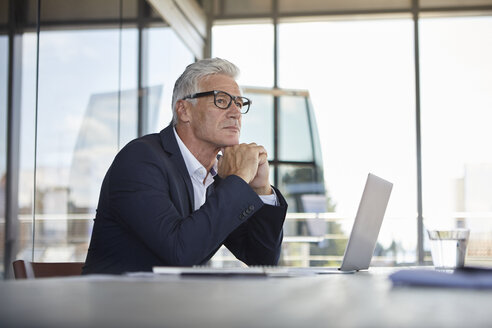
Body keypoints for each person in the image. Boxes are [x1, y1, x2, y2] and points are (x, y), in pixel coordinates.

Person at [83, 58, 288, 274]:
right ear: (184, 110)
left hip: (180, 303)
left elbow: (262, 259)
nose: (235, 112)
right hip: (124, 304)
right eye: (222, 100)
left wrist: (260, 189)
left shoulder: (218, 174)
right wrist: (237, 180)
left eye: (239, 103)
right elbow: (181, 253)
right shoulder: (139, 160)